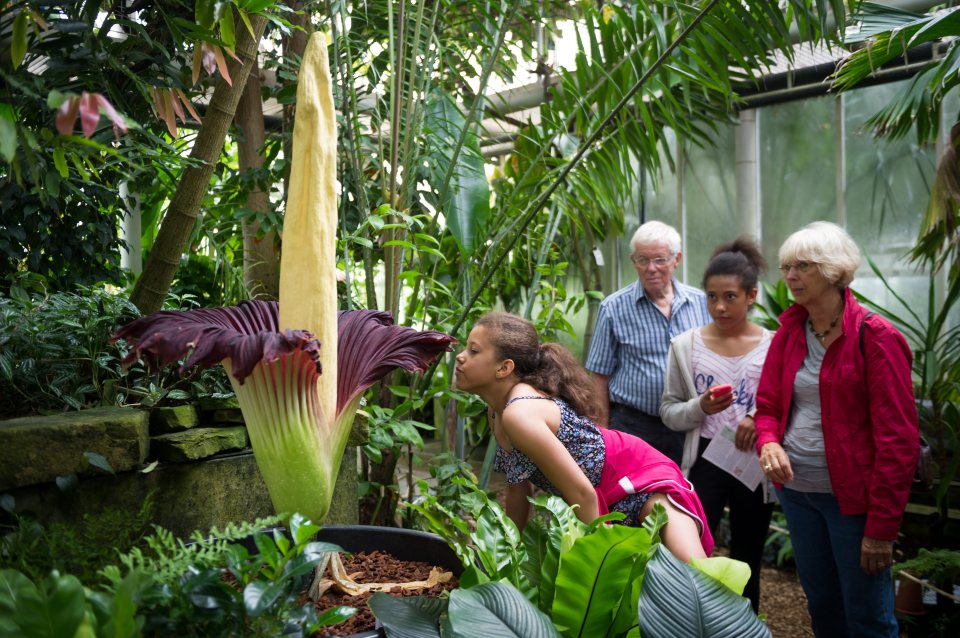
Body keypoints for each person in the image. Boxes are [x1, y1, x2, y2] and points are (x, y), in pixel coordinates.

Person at [755, 222, 919, 638]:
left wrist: (881, 531)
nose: (790, 276)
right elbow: (768, 405)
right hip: (798, 494)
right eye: (786, 266)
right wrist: (769, 439)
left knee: (868, 616)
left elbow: (898, 441)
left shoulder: (876, 337)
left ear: (832, 270)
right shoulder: (790, 332)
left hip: (853, 502)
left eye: (803, 266)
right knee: (823, 605)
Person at [454, 312, 714, 561]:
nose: (460, 357)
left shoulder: (519, 414)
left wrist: (597, 571)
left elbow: (583, 495)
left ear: (504, 368)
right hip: (604, 495)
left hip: (638, 476)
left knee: (695, 572)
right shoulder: (497, 411)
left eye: (473, 351)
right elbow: (519, 488)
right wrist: (509, 557)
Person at [660, 237, 775, 613]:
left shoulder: (773, 346)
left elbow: (789, 404)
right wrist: (700, 406)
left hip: (752, 463)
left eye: (730, 296)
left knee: (747, 556)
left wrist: (758, 419)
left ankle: (745, 626)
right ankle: (696, 622)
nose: (720, 306)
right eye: (712, 297)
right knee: (694, 549)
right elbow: (669, 411)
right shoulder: (685, 346)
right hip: (704, 459)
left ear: (752, 295)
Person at [585, 221, 711, 465]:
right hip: (634, 426)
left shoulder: (701, 304)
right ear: (634, 261)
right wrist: (602, 434)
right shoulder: (613, 308)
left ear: (677, 259)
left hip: (688, 423)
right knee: (632, 496)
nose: (651, 268)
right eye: (643, 260)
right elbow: (599, 377)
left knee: (683, 495)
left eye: (660, 260)